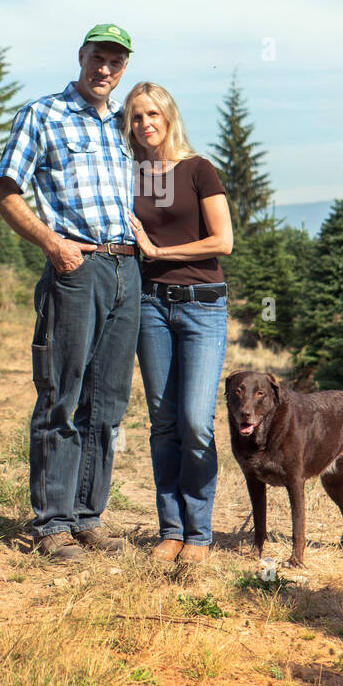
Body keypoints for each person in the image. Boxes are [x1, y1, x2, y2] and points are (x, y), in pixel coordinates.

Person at [0, 24, 140, 563]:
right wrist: (54, 244)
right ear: (81, 56)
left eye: (115, 63)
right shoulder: (43, 115)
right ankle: (52, 523)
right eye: (98, 58)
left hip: (127, 270)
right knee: (64, 395)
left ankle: (87, 516)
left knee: (109, 403)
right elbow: (6, 190)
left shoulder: (125, 124)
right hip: (76, 269)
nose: (105, 70)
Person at [124, 82, 233, 563]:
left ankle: (200, 533)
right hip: (151, 306)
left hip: (202, 305)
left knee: (195, 422)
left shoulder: (197, 170)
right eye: (134, 117)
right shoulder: (131, 176)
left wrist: (158, 252)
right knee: (164, 423)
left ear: (169, 116)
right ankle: (171, 531)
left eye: (152, 114)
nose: (144, 124)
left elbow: (222, 241)